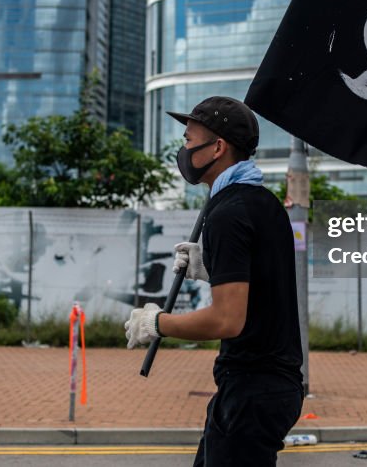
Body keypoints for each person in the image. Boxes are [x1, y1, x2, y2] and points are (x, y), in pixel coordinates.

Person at [124, 96, 304, 466]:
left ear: (217, 147)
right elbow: (262, 284)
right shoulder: (261, 203)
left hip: (252, 389)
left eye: (189, 140)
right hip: (265, 388)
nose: (184, 150)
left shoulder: (228, 213)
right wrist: (212, 268)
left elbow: (227, 320)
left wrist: (157, 323)